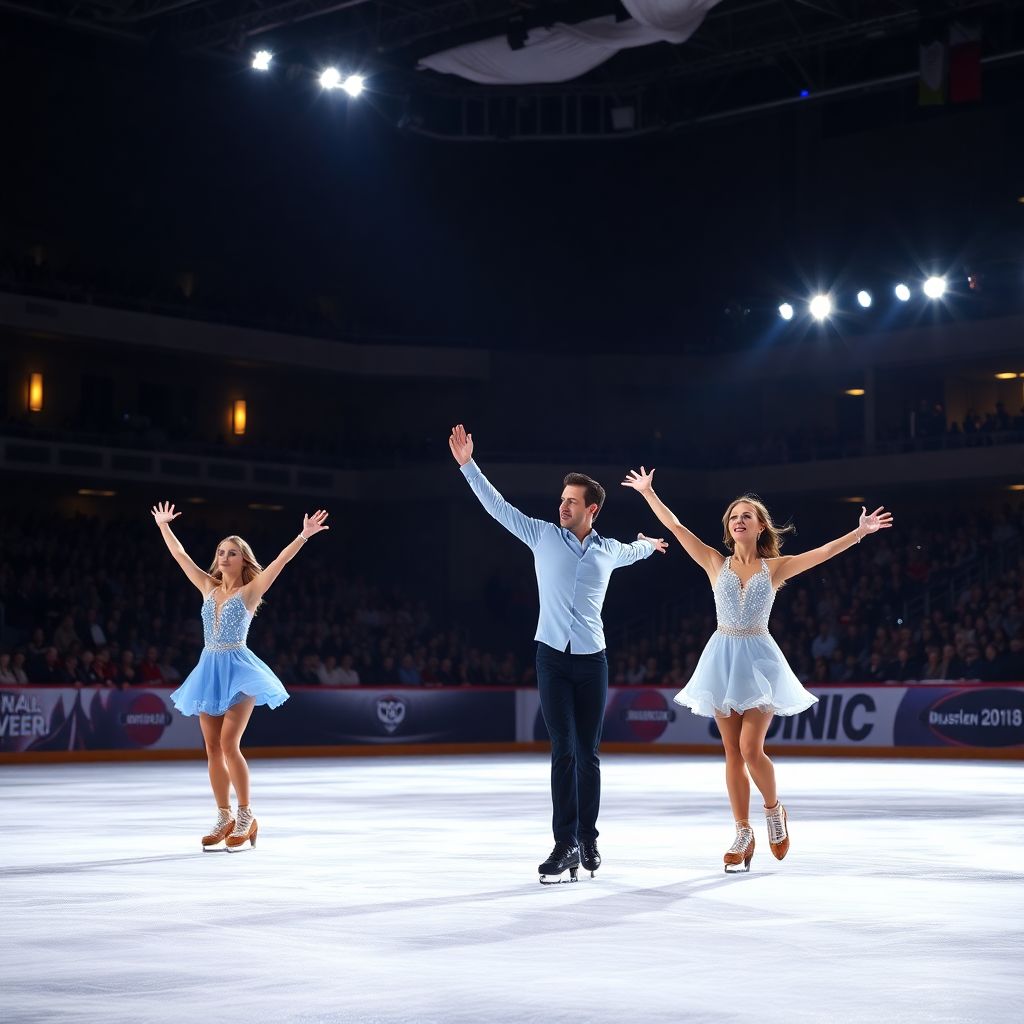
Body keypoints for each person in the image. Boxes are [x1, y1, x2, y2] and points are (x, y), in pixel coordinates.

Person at [622, 468, 892, 873]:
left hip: (760, 659)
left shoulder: (775, 568)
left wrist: (859, 533)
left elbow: (821, 554)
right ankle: (742, 831)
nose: (739, 519)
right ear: (729, 529)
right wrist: (649, 492)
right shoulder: (715, 562)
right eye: (733, 516)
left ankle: (773, 811)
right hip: (722, 657)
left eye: (746, 514)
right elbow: (676, 526)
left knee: (751, 748)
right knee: (731, 751)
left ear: (760, 525)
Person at [449, 424, 668, 883]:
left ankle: (589, 837)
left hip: (593, 661)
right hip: (551, 656)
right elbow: (498, 508)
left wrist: (650, 546)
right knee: (563, 750)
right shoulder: (542, 535)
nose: (561, 505)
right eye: (561, 499)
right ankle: (564, 842)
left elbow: (635, 550)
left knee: (588, 754)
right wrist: (469, 466)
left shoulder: (608, 550)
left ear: (591, 508)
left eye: (571, 501)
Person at [152, 500, 329, 852]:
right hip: (208, 669)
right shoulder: (207, 587)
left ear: (243, 559)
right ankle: (223, 815)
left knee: (230, 745)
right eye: (220, 551)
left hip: (239, 670)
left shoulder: (250, 592)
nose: (223, 556)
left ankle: (246, 814)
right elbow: (180, 556)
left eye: (231, 553)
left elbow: (279, 562)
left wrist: (304, 535)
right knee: (212, 749)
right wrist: (164, 526)